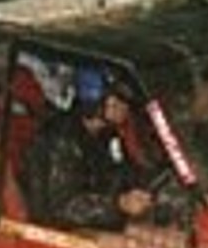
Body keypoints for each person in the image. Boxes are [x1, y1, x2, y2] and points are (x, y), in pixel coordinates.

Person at [23, 66, 154, 231]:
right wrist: (119, 204)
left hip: (93, 223)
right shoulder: (62, 137)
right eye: (117, 100)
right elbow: (62, 207)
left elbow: (121, 174)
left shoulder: (106, 137)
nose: (124, 107)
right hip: (53, 228)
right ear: (94, 100)